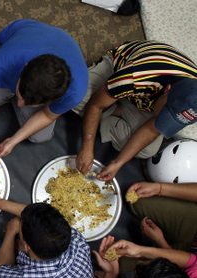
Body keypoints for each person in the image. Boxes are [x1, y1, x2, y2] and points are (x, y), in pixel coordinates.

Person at [0, 19, 88, 158]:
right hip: (15, 45)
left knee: (40, 136)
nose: (20, 103)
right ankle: (6, 94)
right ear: (25, 66)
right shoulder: (4, 60)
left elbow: (48, 115)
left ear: (53, 99)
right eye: (20, 96)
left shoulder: (75, 92)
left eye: (27, 102)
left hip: (50, 47)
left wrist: (12, 141)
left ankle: (10, 95)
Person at [73, 40, 197, 181]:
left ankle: (115, 110)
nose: (162, 118)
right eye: (165, 112)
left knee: (147, 150)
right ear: (167, 90)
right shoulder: (137, 77)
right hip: (117, 71)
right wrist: (87, 147)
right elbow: (95, 104)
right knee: (73, 95)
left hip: (142, 102)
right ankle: (111, 108)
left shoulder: (192, 107)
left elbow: (151, 130)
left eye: (170, 118)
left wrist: (118, 162)